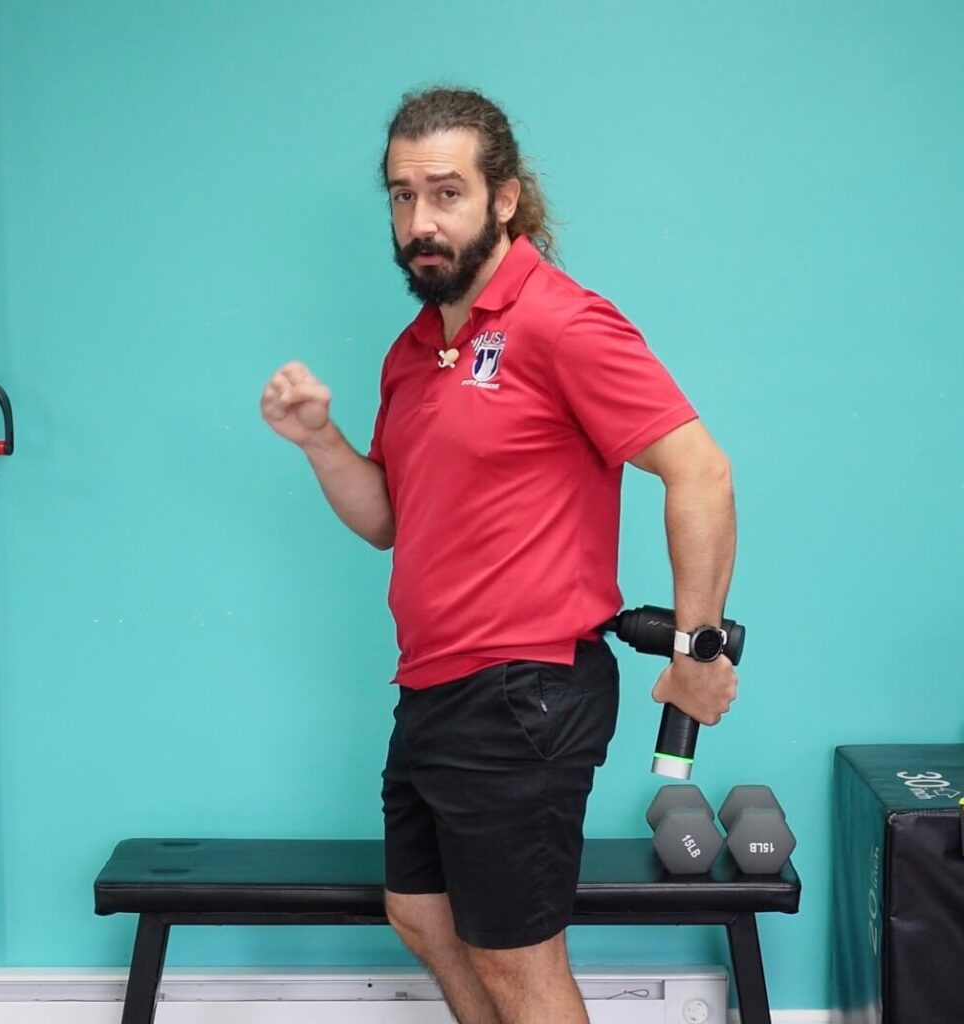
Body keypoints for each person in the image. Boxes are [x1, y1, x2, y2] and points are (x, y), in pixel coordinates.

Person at [261, 86, 737, 1024]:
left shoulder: (561, 323)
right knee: (423, 915)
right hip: (437, 685)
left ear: (505, 198)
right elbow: (392, 519)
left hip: (527, 690)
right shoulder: (412, 354)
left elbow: (701, 471)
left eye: (445, 193)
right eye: (402, 196)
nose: (419, 220)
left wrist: (697, 650)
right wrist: (320, 440)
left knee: (517, 959)